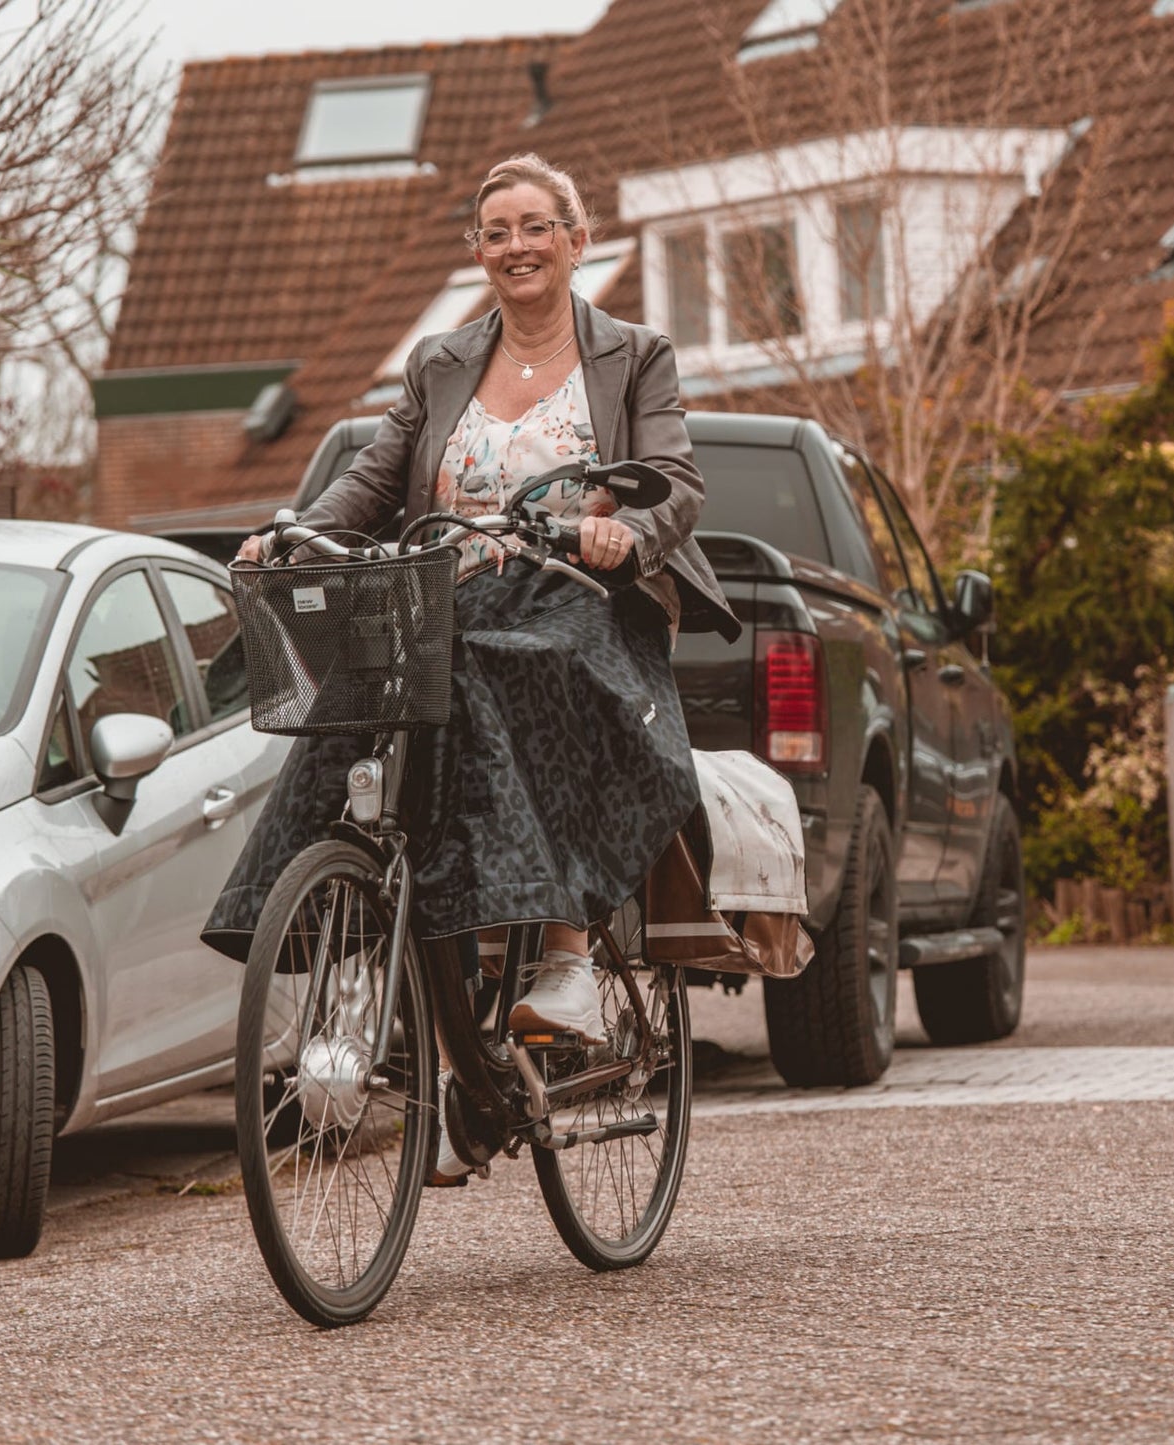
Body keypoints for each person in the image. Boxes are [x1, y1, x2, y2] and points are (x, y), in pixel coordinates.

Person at [203, 153, 740, 1181]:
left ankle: (568, 953)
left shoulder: (633, 353)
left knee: (504, 678)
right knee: (347, 708)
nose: (514, 246)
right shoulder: (441, 358)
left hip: (579, 599)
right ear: (478, 252)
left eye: (534, 226)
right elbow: (371, 477)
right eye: (494, 231)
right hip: (447, 592)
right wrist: (293, 536)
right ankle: (338, 916)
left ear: (576, 240)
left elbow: (674, 478)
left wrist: (623, 530)